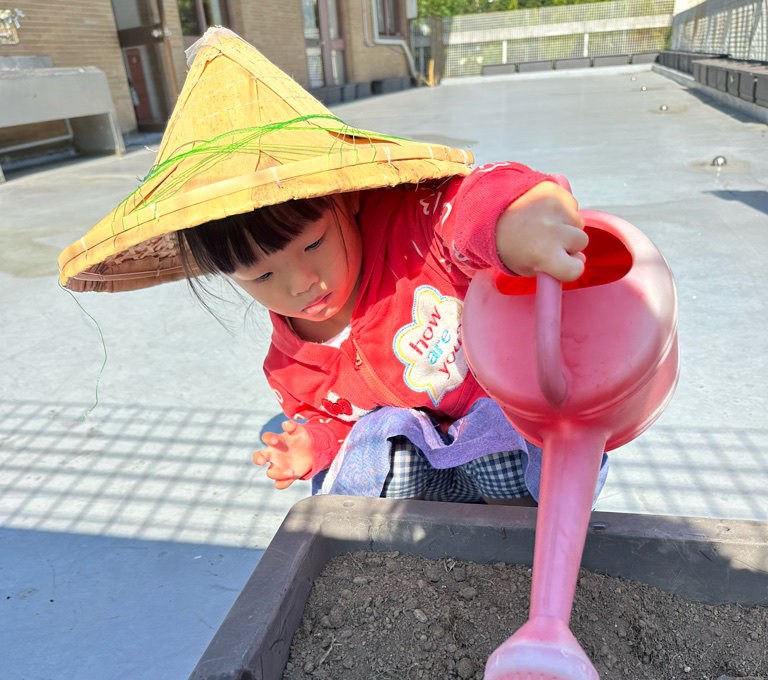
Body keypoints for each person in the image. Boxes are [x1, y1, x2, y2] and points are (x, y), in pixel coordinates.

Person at [58, 28, 604, 505]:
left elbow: (467, 201)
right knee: (380, 448)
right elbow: (330, 421)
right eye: (261, 277)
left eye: (314, 244)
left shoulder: (413, 232)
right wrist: (310, 445)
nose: (302, 284)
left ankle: (520, 537)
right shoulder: (291, 367)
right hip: (427, 485)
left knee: (498, 443)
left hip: (507, 446)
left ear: (349, 197)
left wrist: (511, 219)